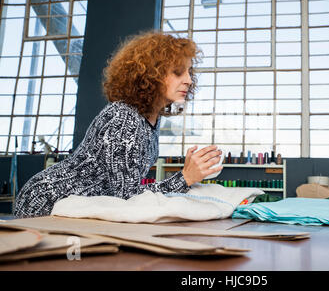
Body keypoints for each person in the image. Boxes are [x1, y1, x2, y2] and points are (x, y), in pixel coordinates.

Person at [13, 31, 223, 218]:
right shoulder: (123, 119)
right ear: (151, 74)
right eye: (178, 72)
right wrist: (185, 177)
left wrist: (185, 177)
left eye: (189, 72)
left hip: (77, 205)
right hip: (48, 202)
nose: (188, 80)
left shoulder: (152, 118)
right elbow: (127, 195)